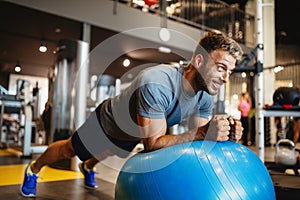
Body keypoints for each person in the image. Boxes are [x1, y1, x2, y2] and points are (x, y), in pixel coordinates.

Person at [20, 31, 244, 197]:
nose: (225, 78)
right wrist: (203, 132)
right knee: (70, 149)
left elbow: (200, 139)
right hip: (107, 122)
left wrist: (224, 134)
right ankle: (33, 169)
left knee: (108, 151)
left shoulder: (205, 93)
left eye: (230, 72)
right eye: (221, 68)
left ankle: (87, 166)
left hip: (134, 131)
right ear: (198, 61)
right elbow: (155, 144)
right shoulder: (157, 83)